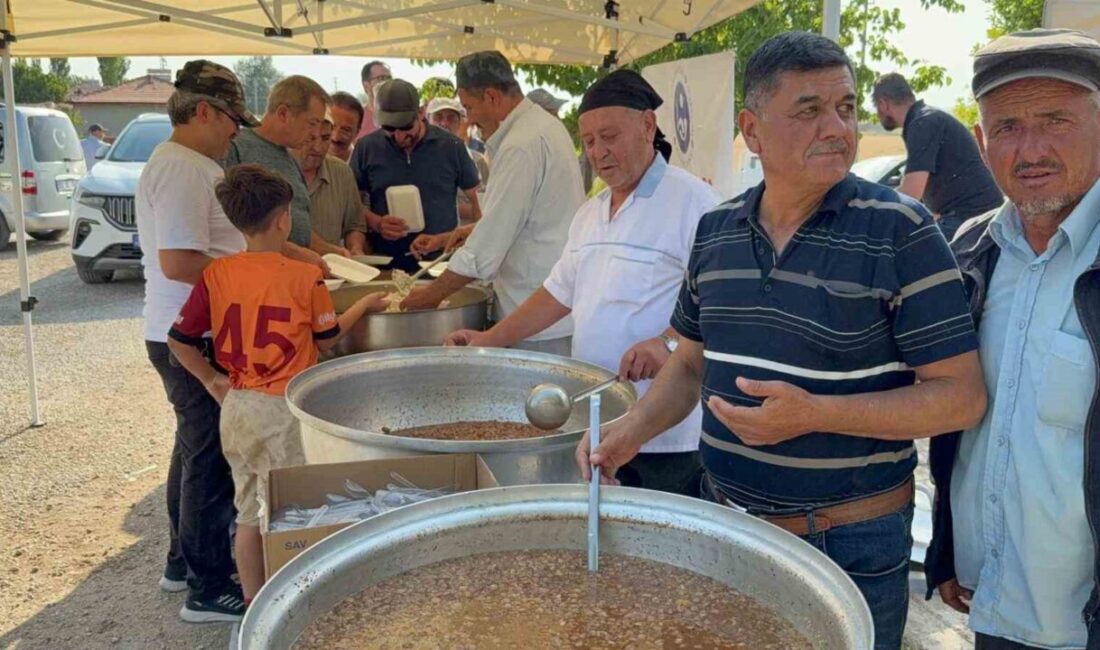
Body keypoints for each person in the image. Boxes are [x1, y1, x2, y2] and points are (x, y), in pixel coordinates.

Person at [577, 32, 988, 649]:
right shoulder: (716, 231)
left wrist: (816, 414)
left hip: (849, 541)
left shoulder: (902, 230)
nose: (837, 127)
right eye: (809, 110)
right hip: (727, 527)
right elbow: (689, 365)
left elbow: (960, 397)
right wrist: (623, 437)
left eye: (846, 107)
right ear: (753, 128)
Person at [446, 70, 720, 495]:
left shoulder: (696, 205)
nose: (598, 152)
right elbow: (558, 293)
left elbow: (718, 308)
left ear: (648, 125)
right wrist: (490, 338)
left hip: (668, 437)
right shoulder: (591, 214)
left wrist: (666, 344)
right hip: (598, 424)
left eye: (609, 136)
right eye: (589, 141)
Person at [925, 28, 1100, 650]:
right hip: (991, 604)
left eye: (1056, 120)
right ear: (980, 142)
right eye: (1006, 127)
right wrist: (947, 547)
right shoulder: (969, 252)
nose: (1030, 149)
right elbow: (965, 427)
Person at [166, 164, 388, 604]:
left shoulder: (217, 274)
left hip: (239, 405)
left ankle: (254, 605)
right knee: (298, 512)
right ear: (285, 218)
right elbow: (328, 340)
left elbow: (179, 340)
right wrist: (364, 303)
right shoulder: (305, 277)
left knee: (249, 512)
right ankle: (300, 602)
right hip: (284, 409)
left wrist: (212, 379)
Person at [135, 59, 258, 623]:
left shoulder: (182, 162)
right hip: (190, 335)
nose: (236, 131)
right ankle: (209, 587)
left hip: (176, 330)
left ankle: (182, 561)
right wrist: (251, 276)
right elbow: (180, 260)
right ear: (203, 111)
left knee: (192, 448)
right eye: (232, 118)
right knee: (211, 455)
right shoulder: (184, 167)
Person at [403, 51, 585, 355]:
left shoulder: (521, 145)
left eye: (469, 107)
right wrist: (474, 228)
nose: (469, 119)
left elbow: (484, 253)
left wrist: (427, 297)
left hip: (537, 319)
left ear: (491, 96)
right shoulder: (543, 126)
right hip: (550, 310)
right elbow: (528, 216)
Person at [350, 79, 480, 272]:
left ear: (420, 113)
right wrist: (377, 223)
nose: (399, 136)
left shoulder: (451, 146)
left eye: (405, 127)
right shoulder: (366, 148)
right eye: (389, 129)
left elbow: (479, 205)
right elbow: (351, 205)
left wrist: (454, 242)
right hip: (383, 263)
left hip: (440, 264)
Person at [873, 72, 1003, 241]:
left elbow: (910, 194)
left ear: (883, 104)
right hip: (973, 217)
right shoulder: (927, 119)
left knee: (898, 250)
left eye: (877, 107)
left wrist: (872, 209)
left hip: (970, 220)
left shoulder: (922, 123)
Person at [225, 75, 338, 262]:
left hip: (294, 277)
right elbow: (233, 225)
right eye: (311, 124)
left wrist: (329, 251)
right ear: (283, 114)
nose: (315, 134)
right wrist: (292, 252)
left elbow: (299, 224)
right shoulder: (236, 148)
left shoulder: (291, 158)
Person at [293, 111, 367, 255]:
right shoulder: (276, 170)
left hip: (332, 274)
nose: (318, 147)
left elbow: (354, 225)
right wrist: (333, 251)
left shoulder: (342, 172)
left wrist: (355, 248)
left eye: (325, 138)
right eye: (310, 138)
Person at [426, 96, 490, 224]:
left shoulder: (477, 160)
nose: (444, 123)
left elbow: (488, 204)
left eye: (451, 118)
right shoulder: (416, 158)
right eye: (438, 117)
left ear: (460, 122)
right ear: (428, 120)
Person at [357, 60, 391, 140]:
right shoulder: (358, 118)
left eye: (389, 78)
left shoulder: (402, 116)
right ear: (366, 86)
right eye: (381, 78)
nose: (387, 83)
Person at [329, 91, 364, 163]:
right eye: (331, 127)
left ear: (357, 132)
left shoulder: (364, 167)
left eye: (345, 130)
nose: (336, 137)